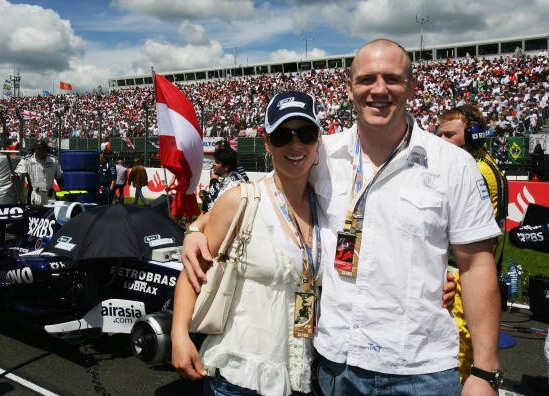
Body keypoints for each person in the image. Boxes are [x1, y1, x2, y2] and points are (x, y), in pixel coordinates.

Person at [181, 39, 500, 395]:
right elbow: (253, 200)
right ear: (350, 88)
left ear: (411, 85)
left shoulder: (452, 164)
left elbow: (477, 266)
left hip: (418, 369)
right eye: (367, 79)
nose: (379, 89)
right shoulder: (323, 154)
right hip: (336, 366)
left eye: (392, 78)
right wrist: (195, 229)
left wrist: (485, 371)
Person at [172, 91, 325, 395]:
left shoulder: (327, 205)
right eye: (282, 136)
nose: (295, 144)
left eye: (305, 134)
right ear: (267, 144)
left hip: (302, 377)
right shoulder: (242, 199)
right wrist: (179, 334)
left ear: (318, 139)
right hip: (239, 377)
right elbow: (193, 272)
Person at [438, 104, 508, 383]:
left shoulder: (471, 169)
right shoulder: (488, 164)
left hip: (464, 273)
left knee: (461, 352)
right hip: (483, 265)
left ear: (474, 135)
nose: (441, 141)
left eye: (449, 134)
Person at [10, 140, 62, 205]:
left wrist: (63, 193)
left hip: (50, 196)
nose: (40, 154)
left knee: (50, 214)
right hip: (34, 195)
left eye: (42, 151)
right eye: (38, 151)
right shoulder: (27, 160)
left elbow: (59, 177)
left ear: (46, 150)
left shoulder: (54, 160)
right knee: (34, 214)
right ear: (34, 150)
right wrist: (14, 176)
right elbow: (19, 172)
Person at [201, 145, 247, 212]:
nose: (213, 164)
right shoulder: (224, 176)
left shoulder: (235, 184)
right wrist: (206, 197)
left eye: (216, 162)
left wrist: (213, 181)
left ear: (226, 167)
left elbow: (218, 202)